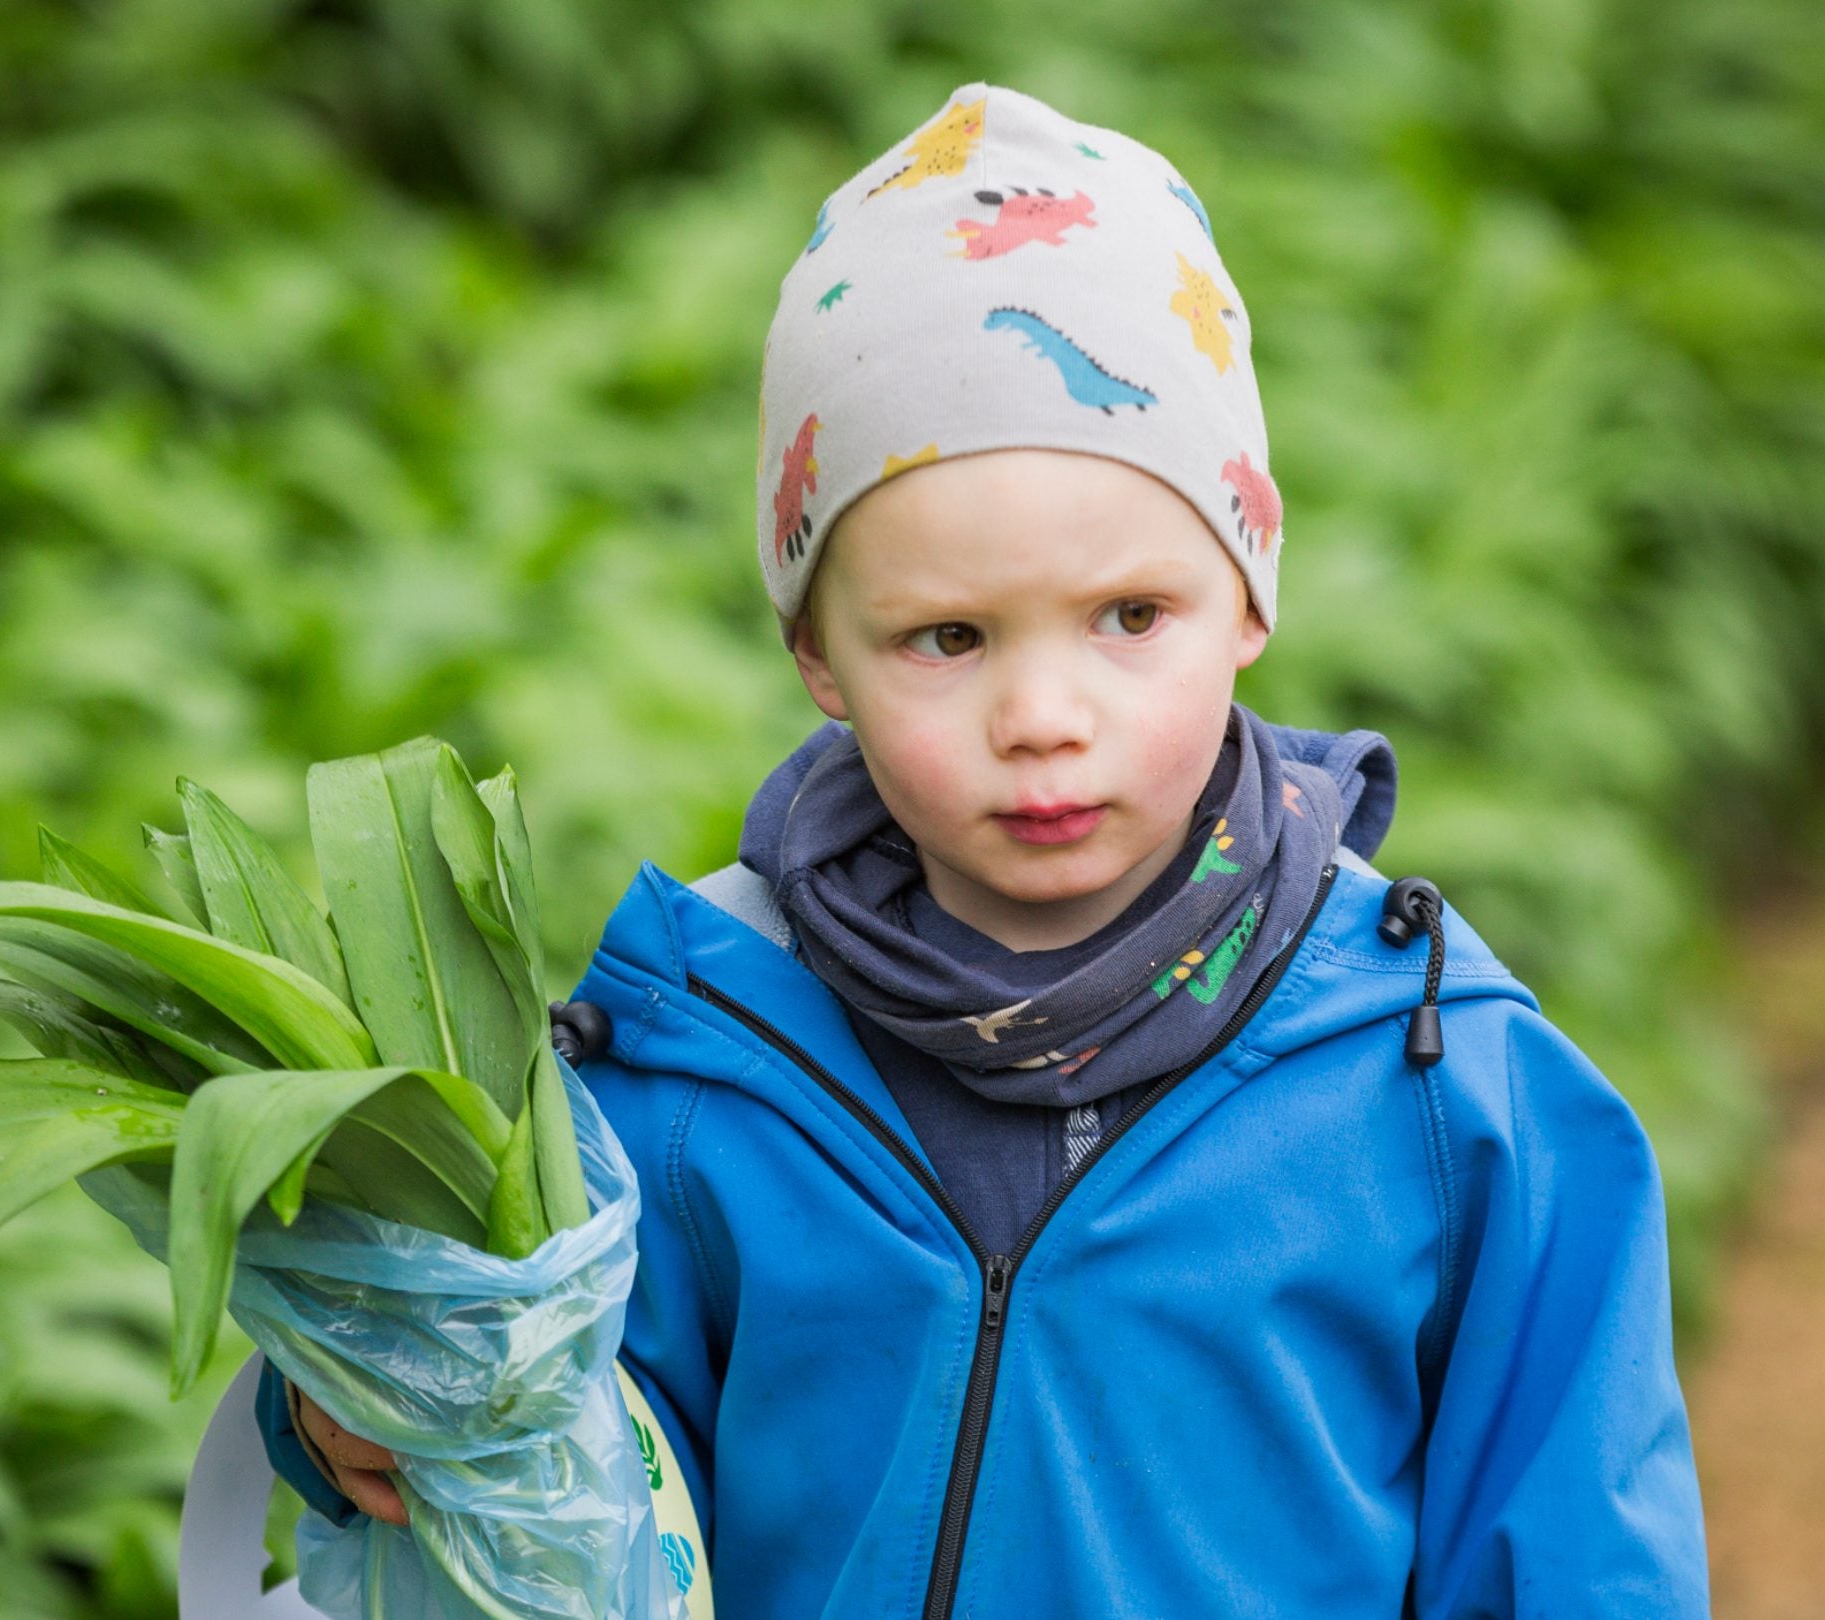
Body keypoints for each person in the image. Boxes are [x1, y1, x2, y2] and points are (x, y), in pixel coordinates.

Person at [263, 81, 1709, 1617]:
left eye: (1129, 619)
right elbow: (565, 1470)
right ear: (819, 649)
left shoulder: (1434, 1084)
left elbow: (1576, 1550)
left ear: (1251, 586)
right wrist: (361, 1410)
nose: (1042, 715)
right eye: (947, 637)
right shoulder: (691, 1068)